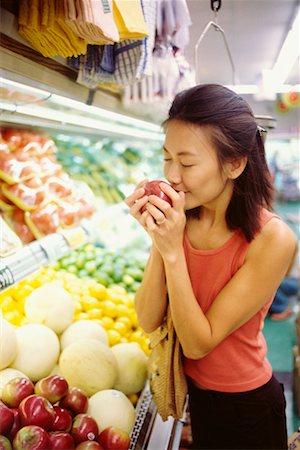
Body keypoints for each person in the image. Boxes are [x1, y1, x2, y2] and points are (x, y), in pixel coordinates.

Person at [125, 84, 297, 450]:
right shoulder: (183, 218)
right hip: (196, 397)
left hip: (247, 405)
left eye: (186, 163)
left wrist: (172, 250)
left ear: (234, 164)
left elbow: (199, 343)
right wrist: (161, 239)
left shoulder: (272, 239)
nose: (171, 174)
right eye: (166, 158)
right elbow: (147, 318)